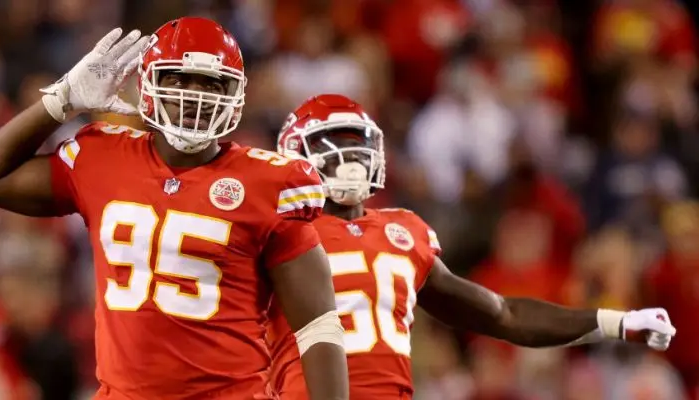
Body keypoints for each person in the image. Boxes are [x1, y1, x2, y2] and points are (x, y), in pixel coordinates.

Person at [0, 18, 349, 400]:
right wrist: (62, 100)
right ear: (148, 85)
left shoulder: (268, 183)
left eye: (210, 83)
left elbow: (318, 326)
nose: (193, 95)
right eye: (178, 79)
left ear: (235, 94)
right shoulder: (102, 157)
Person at [268, 93, 677, 399]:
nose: (349, 157)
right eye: (330, 145)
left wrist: (617, 322)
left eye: (356, 142)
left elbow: (505, 314)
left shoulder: (403, 233)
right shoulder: (274, 231)